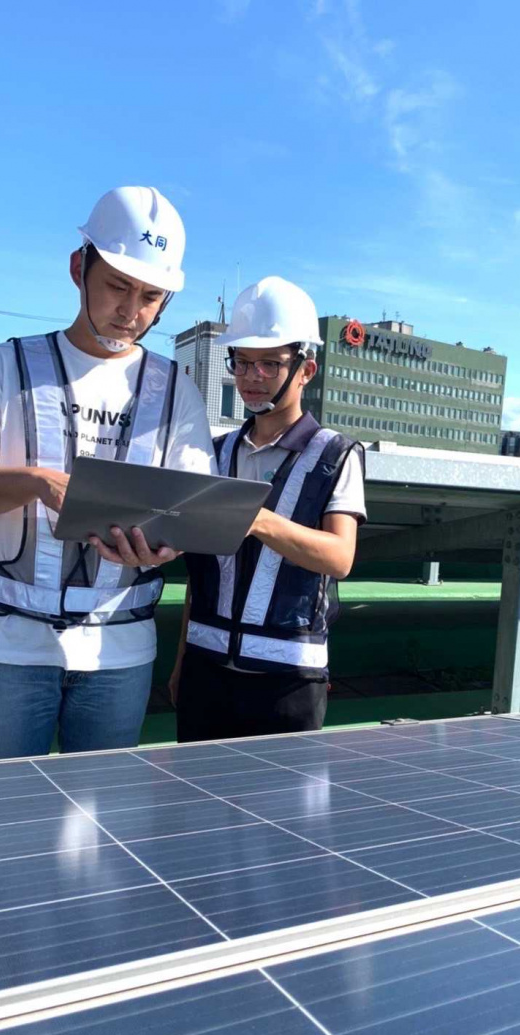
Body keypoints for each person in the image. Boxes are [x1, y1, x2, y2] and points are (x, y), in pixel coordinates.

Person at [0, 186, 215, 761]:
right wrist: (37, 483)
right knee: (0, 822)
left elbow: (191, 508)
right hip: (8, 647)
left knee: (101, 830)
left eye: (151, 296)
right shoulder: (5, 366)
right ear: (80, 268)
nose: (131, 312)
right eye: (118, 286)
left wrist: (163, 548)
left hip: (118, 653)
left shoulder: (178, 390)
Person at [171, 276, 366, 740]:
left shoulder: (336, 455)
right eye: (243, 363)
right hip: (205, 670)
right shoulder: (212, 454)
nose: (253, 377)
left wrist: (257, 519)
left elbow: (340, 557)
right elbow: (200, 579)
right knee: (195, 808)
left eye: (270, 364)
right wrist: (181, 664)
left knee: (280, 813)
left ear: (305, 369)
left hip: (288, 683)